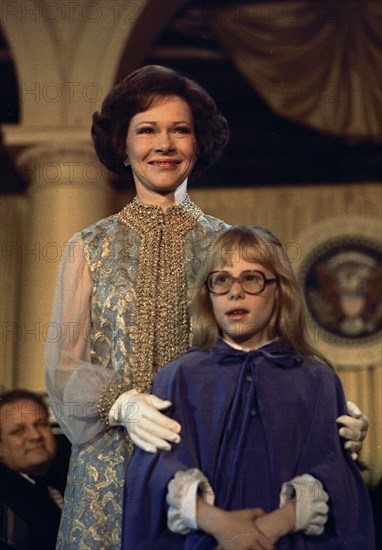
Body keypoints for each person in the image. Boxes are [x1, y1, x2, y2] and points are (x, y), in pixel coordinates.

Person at [44, 65, 368, 549]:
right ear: (123, 146)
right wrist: (122, 403)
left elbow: (263, 349)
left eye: (181, 130)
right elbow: (63, 363)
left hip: (209, 460)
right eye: (147, 130)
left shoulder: (225, 243)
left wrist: (328, 415)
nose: (165, 144)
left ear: (199, 144)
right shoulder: (89, 245)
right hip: (107, 468)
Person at [122, 225, 375, 550]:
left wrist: (271, 526)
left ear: (279, 290)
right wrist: (221, 525)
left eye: (251, 278)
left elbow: (332, 472)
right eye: (221, 279)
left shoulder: (317, 379)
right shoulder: (179, 377)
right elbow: (158, 472)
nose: (234, 292)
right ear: (208, 294)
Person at [0, 389, 66, 550]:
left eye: (41, 424)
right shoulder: (4, 505)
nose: (35, 435)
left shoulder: (63, 479)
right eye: (18, 431)